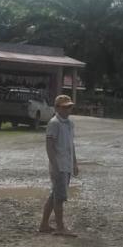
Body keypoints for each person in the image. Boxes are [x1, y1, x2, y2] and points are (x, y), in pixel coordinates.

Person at [39, 95, 79, 237]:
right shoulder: (54, 123)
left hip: (66, 165)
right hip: (59, 166)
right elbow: (49, 146)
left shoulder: (69, 124)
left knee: (55, 195)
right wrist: (54, 165)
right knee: (60, 197)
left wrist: (74, 163)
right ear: (57, 108)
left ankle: (44, 224)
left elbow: (71, 144)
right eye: (65, 107)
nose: (68, 110)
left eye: (69, 107)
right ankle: (60, 227)